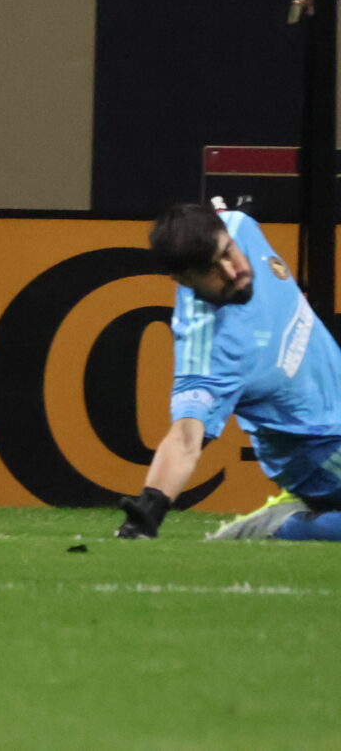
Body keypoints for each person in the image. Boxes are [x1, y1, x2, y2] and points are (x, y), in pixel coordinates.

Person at [117, 201, 341, 543]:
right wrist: (149, 510)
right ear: (182, 280)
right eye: (211, 269)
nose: (232, 269)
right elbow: (186, 439)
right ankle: (280, 525)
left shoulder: (237, 225)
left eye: (228, 252)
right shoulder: (206, 348)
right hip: (318, 452)